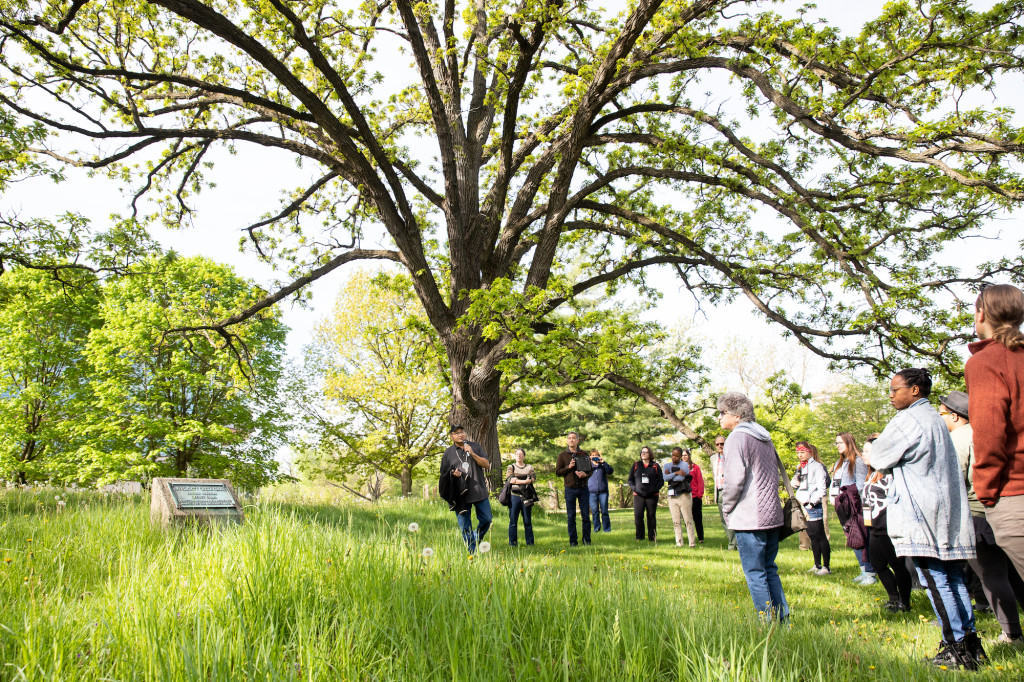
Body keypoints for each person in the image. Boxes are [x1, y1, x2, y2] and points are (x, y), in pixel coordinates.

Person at [870, 369, 981, 670]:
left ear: (916, 390)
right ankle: (970, 642)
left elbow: (878, 457)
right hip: (942, 509)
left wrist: (880, 455)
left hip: (921, 511)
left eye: (895, 389)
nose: (891, 395)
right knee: (954, 577)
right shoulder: (934, 418)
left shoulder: (908, 420)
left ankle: (955, 648)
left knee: (936, 580)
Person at [940, 390, 1024, 643]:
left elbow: (954, 481)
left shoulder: (959, 439)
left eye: (942, 413)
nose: (940, 417)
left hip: (975, 514)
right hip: (1005, 510)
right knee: (1013, 574)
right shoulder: (990, 432)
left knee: (992, 576)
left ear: (955, 416)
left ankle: (1012, 635)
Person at [965, 284, 1024, 583]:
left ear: (981, 314)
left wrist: (986, 490)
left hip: (1013, 491)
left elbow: (989, 434)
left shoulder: (985, 362)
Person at [717, 392, 788, 622]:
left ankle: (766, 622)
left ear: (737, 415)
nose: (719, 417)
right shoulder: (764, 436)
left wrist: (726, 509)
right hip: (772, 514)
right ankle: (782, 620)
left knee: (755, 572)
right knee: (770, 569)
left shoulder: (737, 438)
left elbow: (734, 481)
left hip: (750, 517)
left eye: (723, 412)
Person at [861, 450, 913, 613]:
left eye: (868, 451)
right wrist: (867, 522)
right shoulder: (872, 474)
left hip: (888, 526)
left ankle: (905, 602)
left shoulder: (891, 474)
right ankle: (893, 597)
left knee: (897, 565)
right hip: (874, 527)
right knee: (877, 564)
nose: (864, 454)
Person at [832, 432, 877, 585]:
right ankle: (863, 570)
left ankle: (870, 573)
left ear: (849, 443)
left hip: (856, 506)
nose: (838, 445)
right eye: (836, 443)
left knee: (862, 538)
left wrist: (847, 497)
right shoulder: (842, 462)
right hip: (844, 507)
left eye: (841, 443)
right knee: (853, 538)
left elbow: (861, 484)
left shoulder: (857, 461)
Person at [439, 425, 492, 553]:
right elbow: (444, 473)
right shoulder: (448, 453)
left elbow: (486, 464)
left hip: (478, 490)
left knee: (487, 519)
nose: (460, 435)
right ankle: (471, 554)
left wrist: (472, 453)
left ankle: (476, 536)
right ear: (451, 436)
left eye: (462, 432)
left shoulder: (475, 446)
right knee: (465, 527)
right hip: (460, 494)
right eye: (457, 433)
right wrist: (453, 474)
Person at [792, 441, 831, 575]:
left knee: (820, 536)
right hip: (803, 505)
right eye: (798, 452)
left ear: (810, 452)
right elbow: (795, 483)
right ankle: (817, 564)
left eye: (802, 452)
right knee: (812, 536)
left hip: (812, 505)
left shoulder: (818, 467)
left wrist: (812, 503)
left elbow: (822, 488)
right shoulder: (801, 467)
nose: (800, 455)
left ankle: (826, 566)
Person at [554, 431, 592, 546]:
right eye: (569, 438)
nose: (571, 440)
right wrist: (568, 467)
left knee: (585, 516)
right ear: (567, 440)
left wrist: (585, 475)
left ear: (577, 440)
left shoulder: (584, 454)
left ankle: (586, 540)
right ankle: (573, 542)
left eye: (573, 438)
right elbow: (558, 472)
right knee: (571, 517)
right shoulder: (562, 455)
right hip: (569, 488)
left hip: (583, 488)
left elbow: (591, 470)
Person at [627, 446, 664, 541]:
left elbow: (661, 481)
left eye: (645, 452)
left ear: (650, 454)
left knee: (651, 516)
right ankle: (639, 537)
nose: (643, 453)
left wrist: (654, 490)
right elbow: (630, 480)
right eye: (642, 452)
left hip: (652, 496)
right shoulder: (636, 465)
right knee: (638, 516)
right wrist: (635, 489)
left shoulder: (655, 466)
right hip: (638, 495)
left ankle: (652, 537)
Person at [664, 447, 696, 547]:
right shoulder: (667, 465)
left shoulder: (684, 465)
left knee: (688, 520)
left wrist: (671, 474)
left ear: (680, 456)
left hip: (684, 495)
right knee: (676, 521)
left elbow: (681, 478)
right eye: (673, 455)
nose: (675, 457)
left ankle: (692, 543)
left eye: (677, 456)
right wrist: (676, 472)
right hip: (672, 497)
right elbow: (665, 478)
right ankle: (679, 542)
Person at [506, 448, 536, 547]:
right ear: (515, 456)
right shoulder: (511, 467)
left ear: (524, 456)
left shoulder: (529, 467)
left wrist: (519, 479)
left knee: (527, 521)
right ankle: (512, 543)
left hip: (527, 497)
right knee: (513, 521)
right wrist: (524, 481)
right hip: (514, 497)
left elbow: (533, 478)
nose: (519, 456)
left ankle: (530, 543)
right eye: (517, 454)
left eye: (521, 454)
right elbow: (510, 479)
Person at [712, 436, 738, 550]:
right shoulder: (713, 458)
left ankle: (735, 544)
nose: (719, 446)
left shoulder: (732, 456)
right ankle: (732, 543)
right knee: (724, 519)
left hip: (730, 490)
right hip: (719, 491)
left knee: (734, 517)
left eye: (722, 444)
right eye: (717, 444)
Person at [588, 449, 614, 533]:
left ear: (599, 456)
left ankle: (607, 529)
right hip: (592, 492)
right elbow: (582, 471)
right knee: (595, 511)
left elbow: (610, 471)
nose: (595, 457)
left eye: (596, 455)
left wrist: (603, 462)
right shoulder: (589, 466)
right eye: (593, 455)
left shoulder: (603, 466)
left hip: (603, 492)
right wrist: (588, 461)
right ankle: (596, 528)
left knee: (604, 511)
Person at [682, 448, 705, 543]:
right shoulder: (679, 468)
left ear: (689, 456)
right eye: (682, 455)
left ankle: (700, 538)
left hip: (695, 496)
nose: (684, 457)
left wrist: (700, 494)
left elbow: (700, 481)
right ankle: (691, 538)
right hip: (684, 496)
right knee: (687, 518)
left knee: (697, 518)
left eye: (685, 455)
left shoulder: (695, 467)